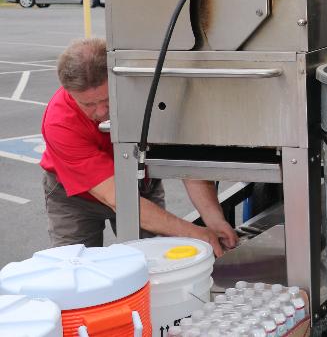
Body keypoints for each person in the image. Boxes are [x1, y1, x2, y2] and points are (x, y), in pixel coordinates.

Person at [40, 38, 239, 256]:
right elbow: (116, 197)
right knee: (73, 264)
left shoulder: (149, 94)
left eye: (107, 100)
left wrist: (214, 220)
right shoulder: (60, 122)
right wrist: (195, 233)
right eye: (88, 104)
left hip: (139, 184)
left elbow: (185, 160)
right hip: (75, 199)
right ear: (69, 92)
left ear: (119, 78)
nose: (100, 112)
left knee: (150, 261)